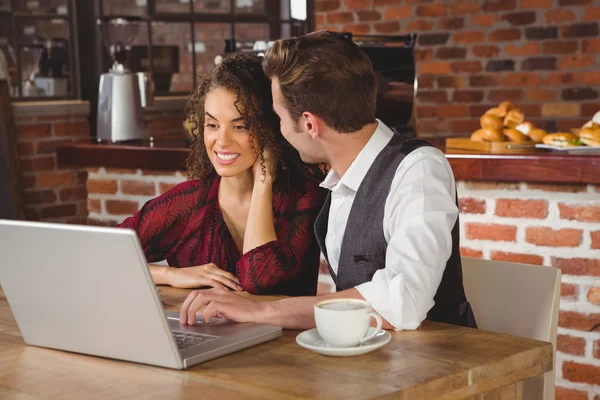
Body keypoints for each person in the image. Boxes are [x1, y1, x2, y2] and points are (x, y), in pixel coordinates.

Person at [179, 31, 476, 330]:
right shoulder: (336, 180)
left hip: (440, 363)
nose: (277, 132)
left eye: (278, 118)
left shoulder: (419, 169)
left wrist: (261, 311)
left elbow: (404, 300)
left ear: (309, 124)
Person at [118, 53, 326, 296]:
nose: (222, 141)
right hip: (203, 331)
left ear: (271, 128)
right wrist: (170, 274)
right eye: (212, 125)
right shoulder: (189, 203)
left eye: (240, 126)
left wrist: (263, 181)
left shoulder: (305, 198)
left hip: (287, 335)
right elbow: (101, 254)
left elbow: (256, 278)